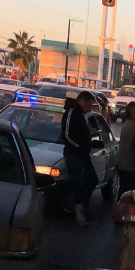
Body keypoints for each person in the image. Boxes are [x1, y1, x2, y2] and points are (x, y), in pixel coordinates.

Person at [61, 91, 99, 226]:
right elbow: (66, 135)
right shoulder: (71, 113)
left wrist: (88, 133)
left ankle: (81, 206)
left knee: (92, 179)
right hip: (74, 154)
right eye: (89, 105)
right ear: (82, 101)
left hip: (82, 154)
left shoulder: (79, 115)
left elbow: (78, 133)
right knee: (80, 181)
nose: (90, 108)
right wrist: (78, 146)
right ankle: (78, 208)